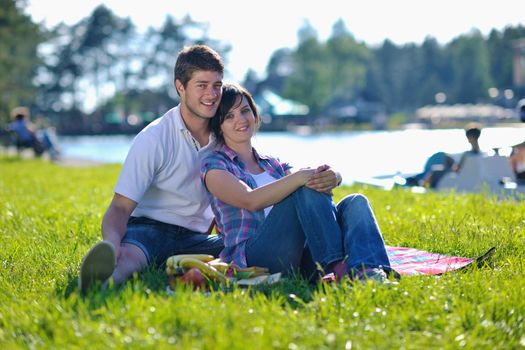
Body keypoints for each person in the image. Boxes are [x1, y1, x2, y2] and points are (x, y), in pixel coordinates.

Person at [201, 83, 397, 283]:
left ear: (254, 114)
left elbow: (306, 178)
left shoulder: (273, 163)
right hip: (255, 260)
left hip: (300, 258)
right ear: (218, 126)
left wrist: (334, 177)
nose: (241, 120)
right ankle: (340, 267)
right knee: (300, 188)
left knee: (356, 201)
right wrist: (300, 178)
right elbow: (250, 200)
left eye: (245, 111)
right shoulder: (214, 165)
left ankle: (371, 272)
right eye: (229, 117)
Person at [79, 45, 228, 294]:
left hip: (195, 239)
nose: (211, 94)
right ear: (180, 87)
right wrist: (112, 244)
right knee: (131, 257)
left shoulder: (224, 135)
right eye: (202, 85)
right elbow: (119, 208)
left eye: (217, 85)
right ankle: (102, 280)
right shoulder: (154, 137)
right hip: (149, 229)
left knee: (241, 249)